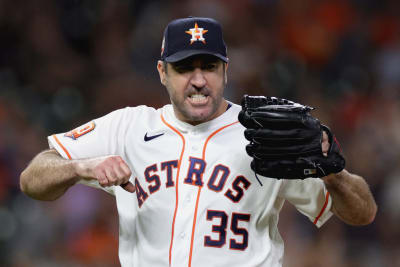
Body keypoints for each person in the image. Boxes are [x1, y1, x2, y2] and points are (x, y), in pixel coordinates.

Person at [20, 17, 377, 267]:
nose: (198, 80)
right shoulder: (128, 126)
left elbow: (363, 213)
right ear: (162, 72)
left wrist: (335, 174)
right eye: (184, 67)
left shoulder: (266, 133)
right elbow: (33, 179)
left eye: (208, 66)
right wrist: (79, 166)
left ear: (226, 70)